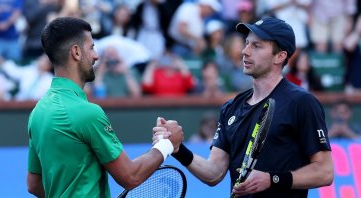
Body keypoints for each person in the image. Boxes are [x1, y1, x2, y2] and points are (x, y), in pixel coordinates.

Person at [153, 17, 334, 197]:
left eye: (257, 46)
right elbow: (214, 173)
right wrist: (177, 149)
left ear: (280, 56)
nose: (245, 51)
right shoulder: (230, 108)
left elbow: (325, 172)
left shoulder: (302, 102)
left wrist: (272, 179)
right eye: (247, 43)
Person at [26, 17, 183, 198]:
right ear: (76, 52)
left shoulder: (38, 112)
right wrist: (167, 144)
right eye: (91, 47)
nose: (96, 55)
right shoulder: (88, 113)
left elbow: (34, 184)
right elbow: (130, 176)